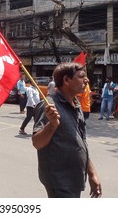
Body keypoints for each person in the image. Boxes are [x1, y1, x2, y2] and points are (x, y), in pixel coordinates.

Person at [32, 62, 102, 198]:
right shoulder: (49, 106)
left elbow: (81, 143)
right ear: (66, 80)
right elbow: (37, 143)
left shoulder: (76, 104)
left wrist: (92, 173)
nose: (87, 80)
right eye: (82, 76)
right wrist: (52, 124)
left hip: (75, 178)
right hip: (59, 182)